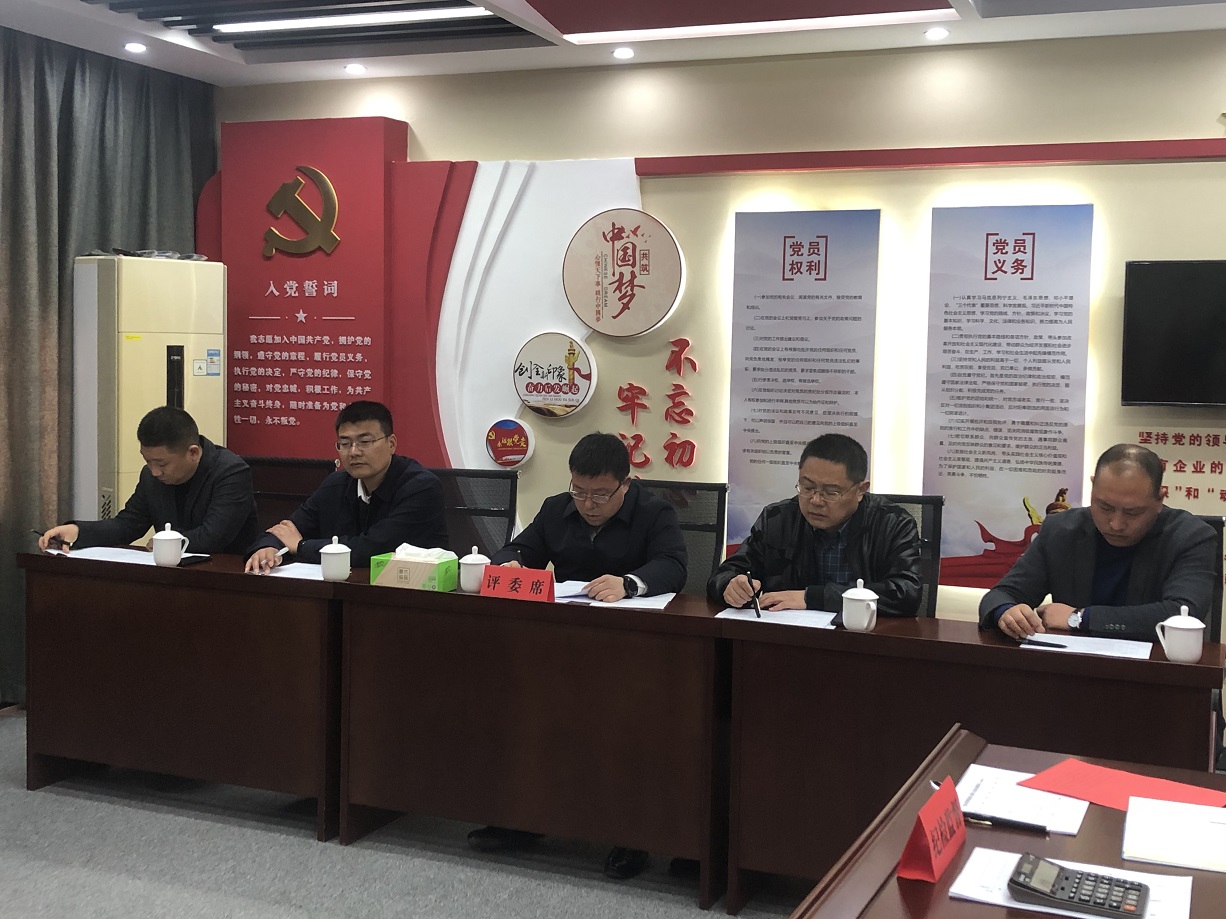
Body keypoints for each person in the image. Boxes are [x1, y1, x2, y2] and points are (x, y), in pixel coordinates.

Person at [469, 432, 687, 880]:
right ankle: (525, 818)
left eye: (601, 494)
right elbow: (519, 548)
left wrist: (629, 584)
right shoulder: (556, 508)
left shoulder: (655, 512)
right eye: (580, 491)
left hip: (632, 653)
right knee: (523, 710)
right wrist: (510, 562)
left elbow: (674, 566)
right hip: (564, 647)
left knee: (623, 728)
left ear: (626, 484)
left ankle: (631, 838)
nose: (588, 503)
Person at [980, 443, 1216, 641]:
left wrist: (1080, 618)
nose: (1116, 524)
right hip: (1071, 668)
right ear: (1093, 489)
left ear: (1159, 500)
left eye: (1132, 512)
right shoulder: (1060, 530)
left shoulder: (1191, 537)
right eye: (1105, 507)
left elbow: (1183, 615)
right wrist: (1007, 612)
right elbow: (1001, 595)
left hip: (1155, 671)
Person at [709, 433, 922, 617]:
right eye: (807, 487)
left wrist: (812, 598)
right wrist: (730, 585)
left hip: (862, 639)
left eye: (831, 492)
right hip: (789, 636)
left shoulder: (892, 524)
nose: (816, 500)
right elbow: (725, 574)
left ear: (860, 490)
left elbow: (906, 593)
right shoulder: (778, 519)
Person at [244, 401, 446, 571]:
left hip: (411, 594)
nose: (354, 452)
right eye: (345, 443)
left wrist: (301, 546)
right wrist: (268, 547)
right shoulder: (336, 484)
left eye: (365, 442)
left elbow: (373, 550)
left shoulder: (421, 488)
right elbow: (287, 529)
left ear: (391, 444)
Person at [39, 406, 260, 556]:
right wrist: (78, 532)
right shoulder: (150, 476)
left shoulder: (230, 472)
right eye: (148, 461)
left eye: (162, 464)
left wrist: (167, 542)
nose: (154, 472)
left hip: (226, 578)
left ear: (193, 452)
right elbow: (128, 525)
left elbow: (214, 537)